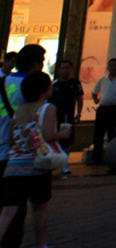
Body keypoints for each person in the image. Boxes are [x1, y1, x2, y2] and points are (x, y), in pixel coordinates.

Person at [0, 70, 61, 248]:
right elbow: (49, 135)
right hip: (37, 166)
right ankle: (41, 244)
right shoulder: (48, 108)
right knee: (39, 208)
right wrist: (62, 133)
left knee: (8, 210)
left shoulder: (18, 111)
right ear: (44, 90)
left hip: (13, 167)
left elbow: (12, 140)